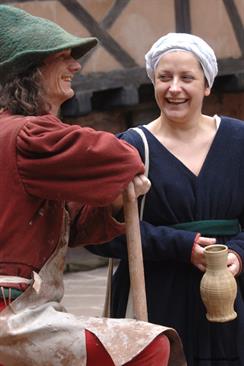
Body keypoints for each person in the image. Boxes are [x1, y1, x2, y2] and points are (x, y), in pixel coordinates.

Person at [0, 7, 187, 366]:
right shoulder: (27, 134)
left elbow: (73, 227)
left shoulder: (21, 138)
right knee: (150, 347)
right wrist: (128, 165)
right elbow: (120, 157)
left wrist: (115, 201)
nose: (76, 66)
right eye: (63, 57)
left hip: (23, 307)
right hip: (13, 313)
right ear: (32, 70)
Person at [88, 32, 244, 365]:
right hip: (157, 299)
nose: (174, 88)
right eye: (164, 77)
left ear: (207, 85)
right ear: (153, 83)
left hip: (235, 297)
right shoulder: (130, 148)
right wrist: (180, 245)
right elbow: (95, 233)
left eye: (187, 77)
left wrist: (240, 255)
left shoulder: (239, 140)